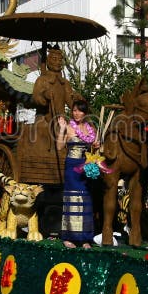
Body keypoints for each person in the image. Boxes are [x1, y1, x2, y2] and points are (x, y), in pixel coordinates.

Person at [56, 99, 98, 248]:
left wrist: (96, 146)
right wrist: (61, 129)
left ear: (85, 113)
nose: (76, 113)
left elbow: (94, 148)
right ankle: (69, 237)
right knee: (73, 200)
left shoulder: (90, 128)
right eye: (74, 110)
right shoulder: (68, 127)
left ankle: (85, 238)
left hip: (86, 167)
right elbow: (60, 146)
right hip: (72, 167)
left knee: (85, 201)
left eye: (79, 110)